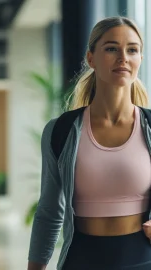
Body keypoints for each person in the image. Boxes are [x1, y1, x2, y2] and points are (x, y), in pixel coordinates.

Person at [28, 16, 151, 270]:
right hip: (81, 261)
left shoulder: (149, 127)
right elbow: (49, 212)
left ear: (140, 59)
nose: (123, 57)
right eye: (111, 48)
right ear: (91, 58)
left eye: (132, 50)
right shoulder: (60, 131)